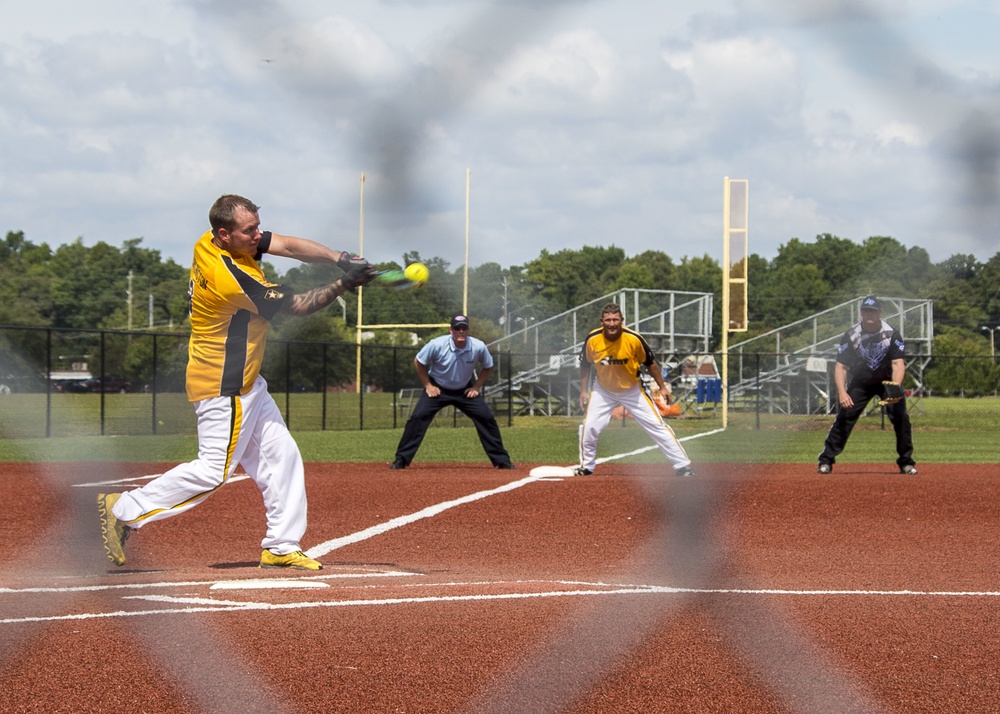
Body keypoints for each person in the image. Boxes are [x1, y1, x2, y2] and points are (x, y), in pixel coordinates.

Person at [97, 194, 377, 570]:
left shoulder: (210, 239)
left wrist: (339, 258)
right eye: (250, 231)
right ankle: (125, 508)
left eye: (257, 226)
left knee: (282, 457)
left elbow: (288, 246)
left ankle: (281, 545)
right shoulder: (229, 278)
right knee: (213, 471)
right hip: (223, 385)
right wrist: (345, 283)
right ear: (225, 234)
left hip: (247, 382)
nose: (258, 236)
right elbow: (298, 306)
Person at [576, 303, 695, 477]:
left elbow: (651, 364)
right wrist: (584, 391)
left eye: (615, 319)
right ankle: (586, 467)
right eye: (608, 320)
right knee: (590, 425)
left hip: (632, 389)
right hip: (603, 389)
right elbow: (584, 365)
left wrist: (662, 387)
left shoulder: (633, 339)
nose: (611, 323)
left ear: (622, 321)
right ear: (601, 321)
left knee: (656, 425)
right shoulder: (593, 339)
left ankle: (682, 466)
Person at [390, 315, 515, 470]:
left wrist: (476, 387)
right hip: (438, 388)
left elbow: (488, 365)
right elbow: (419, 361)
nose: (460, 331)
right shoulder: (436, 344)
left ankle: (502, 461)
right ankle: (401, 459)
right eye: (457, 328)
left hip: (464, 389)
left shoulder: (478, 346)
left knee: (486, 417)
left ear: (468, 330)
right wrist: (428, 385)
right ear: (451, 330)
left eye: (464, 328)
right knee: (418, 417)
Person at [817, 295, 917, 474]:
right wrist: (842, 393)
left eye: (873, 311)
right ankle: (826, 460)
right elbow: (841, 367)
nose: (870, 314)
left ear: (880, 313)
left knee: (901, 418)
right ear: (861, 313)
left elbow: (898, 364)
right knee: (844, 416)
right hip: (861, 382)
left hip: (887, 382)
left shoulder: (892, 334)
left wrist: (894, 388)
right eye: (866, 310)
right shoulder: (851, 335)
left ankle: (906, 462)